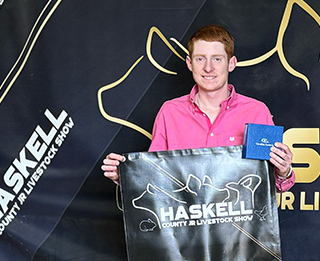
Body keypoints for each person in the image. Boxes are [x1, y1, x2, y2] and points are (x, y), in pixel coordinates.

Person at [102, 24, 295, 191]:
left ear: (231, 63)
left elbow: (272, 184)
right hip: (186, 229)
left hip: (240, 232)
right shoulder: (170, 112)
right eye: (200, 58)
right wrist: (124, 175)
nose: (208, 68)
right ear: (189, 63)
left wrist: (284, 170)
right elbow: (155, 177)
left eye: (217, 59)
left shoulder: (256, 112)